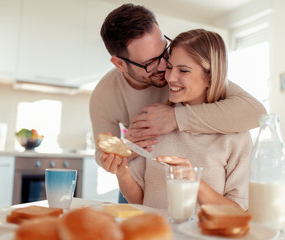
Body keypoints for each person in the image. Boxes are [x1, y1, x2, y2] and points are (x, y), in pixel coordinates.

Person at [89, 4, 265, 202]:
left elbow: (255, 112)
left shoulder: (190, 74)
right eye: (151, 62)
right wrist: (123, 153)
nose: (166, 68)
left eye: (165, 50)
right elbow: (104, 156)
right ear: (120, 64)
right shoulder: (104, 95)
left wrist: (175, 118)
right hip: (140, 171)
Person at [108, 29, 253, 210]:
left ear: (210, 77)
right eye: (169, 67)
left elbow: (239, 214)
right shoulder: (152, 121)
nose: (169, 77)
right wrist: (122, 172)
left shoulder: (236, 136)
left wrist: (194, 182)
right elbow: (141, 201)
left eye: (183, 70)